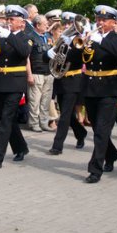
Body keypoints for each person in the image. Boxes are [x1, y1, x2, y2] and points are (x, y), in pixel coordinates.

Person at [81, 5, 117, 183]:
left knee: (102, 131)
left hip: (109, 89)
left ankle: (95, 169)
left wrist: (101, 41)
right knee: (97, 129)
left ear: (113, 22)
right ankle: (112, 154)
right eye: (98, 19)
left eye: (104, 20)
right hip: (90, 87)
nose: (100, 23)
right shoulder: (91, 38)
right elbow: (79, 58)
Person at [0, 5, 32, 170]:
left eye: (12, 19)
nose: (8, 22)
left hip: (15, 83)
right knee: (8, 119)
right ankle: (21, 147)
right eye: (8, 19)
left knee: (5, 120)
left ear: (21, 22)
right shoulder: (2, 35)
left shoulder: (26, 37)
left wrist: (10, 36)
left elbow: (24, 52)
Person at [48, 17, 87, 155]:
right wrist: (50, 52)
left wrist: (67, 47)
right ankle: (81, 133)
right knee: (68, 115)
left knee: (64, 115)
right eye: (67, 24)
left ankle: (57, 146)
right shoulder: (62, 40)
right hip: (60, 80)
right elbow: (49, 60)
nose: (69, 27)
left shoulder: (79, 42)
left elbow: (76, 58)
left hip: (73, 81)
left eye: (72, 24)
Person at [27, 14, 54, 132]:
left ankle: (43, 122)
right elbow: (26, 57)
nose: (47, 25)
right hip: (36, 73)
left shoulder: (48, 36)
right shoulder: (30, 37)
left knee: (46, 100)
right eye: (45, 24)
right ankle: (34, 123)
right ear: (37, 25)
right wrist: (29, 75)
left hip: (48, 72)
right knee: (35, 100)